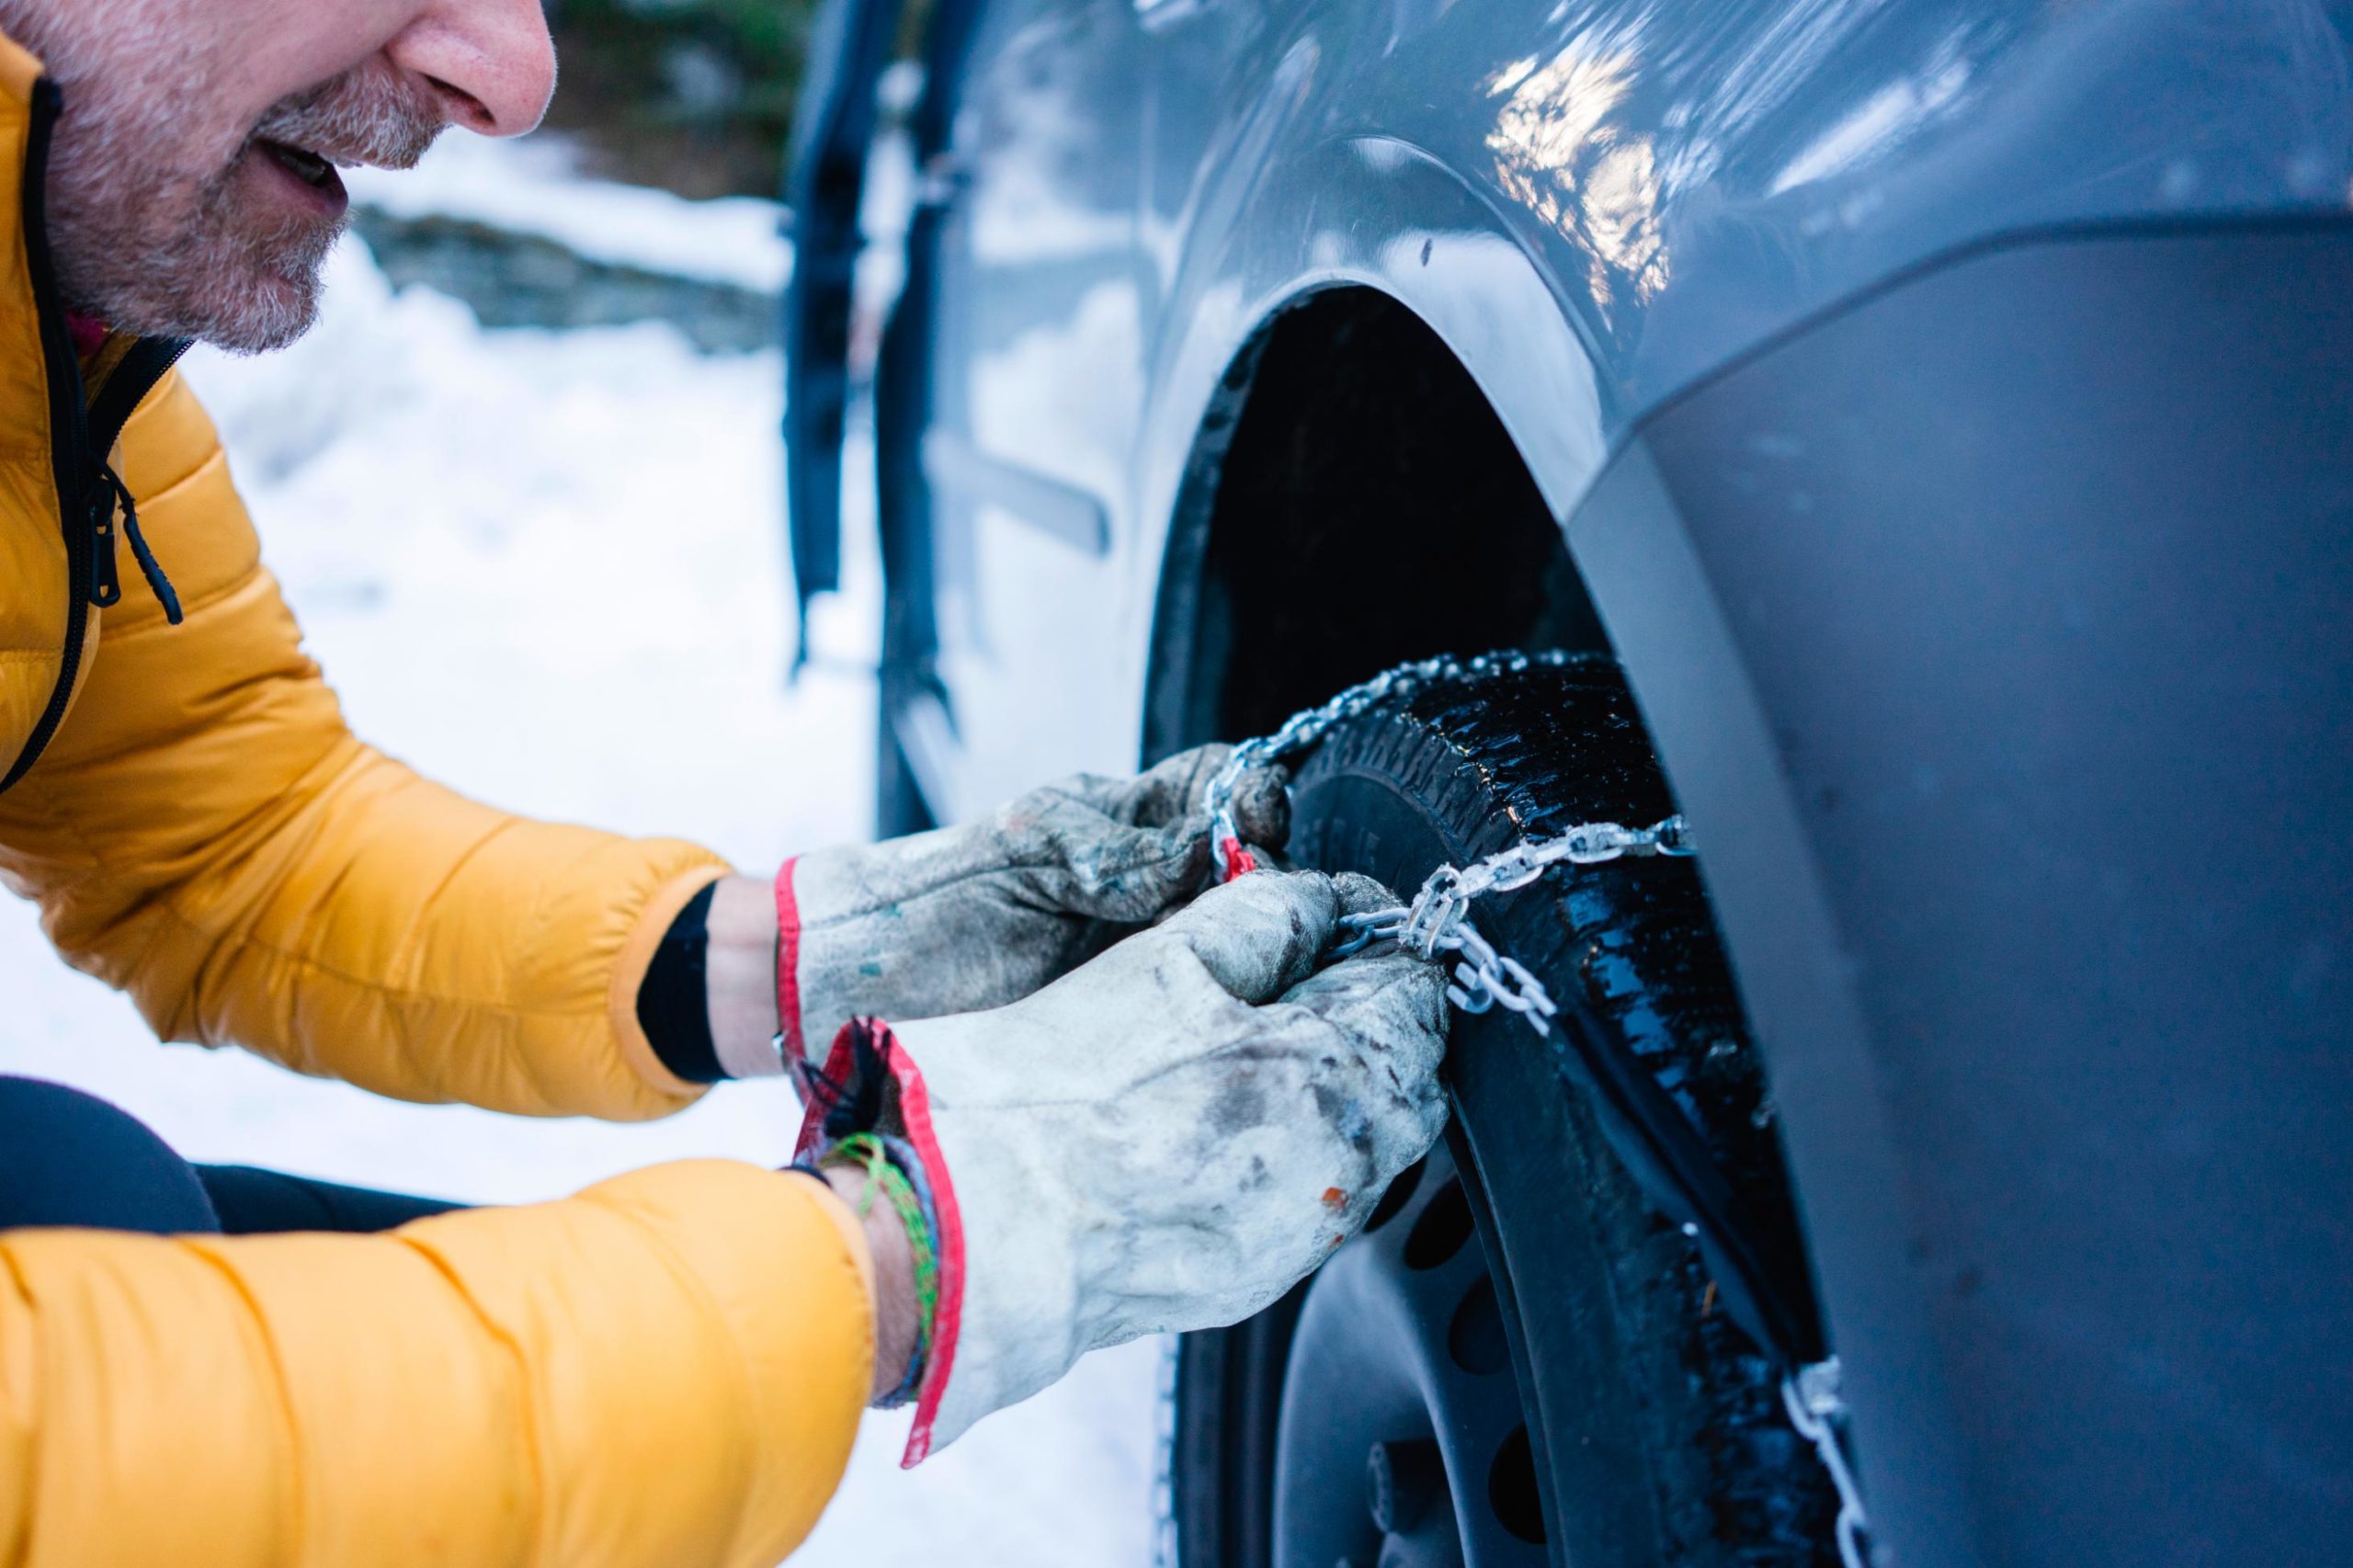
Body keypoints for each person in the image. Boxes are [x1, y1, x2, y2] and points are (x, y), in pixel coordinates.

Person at [0, 1, 1453, 1563]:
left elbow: (222, 836)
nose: (511, 74)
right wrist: (905, 1255)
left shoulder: (49, 350)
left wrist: (782, 959)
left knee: (85, 1185)